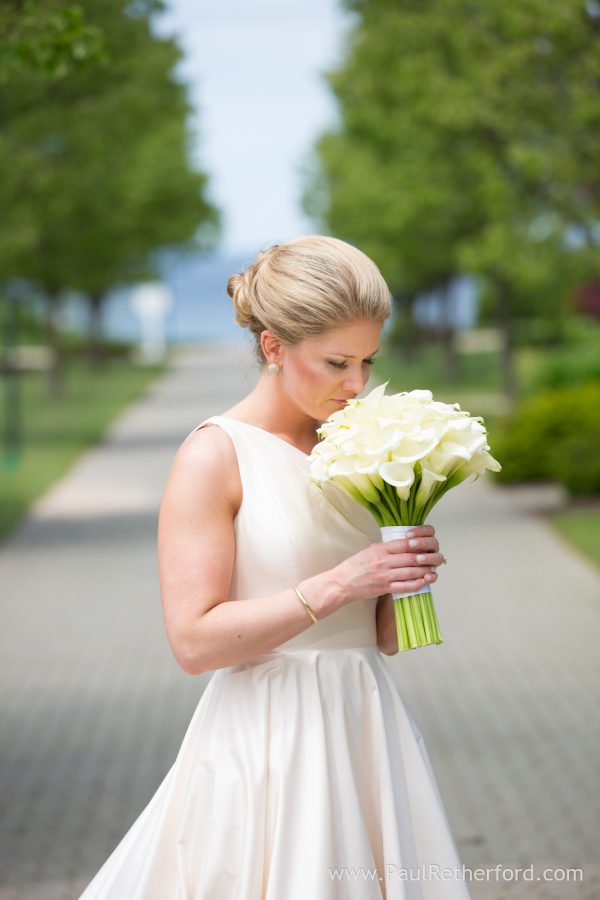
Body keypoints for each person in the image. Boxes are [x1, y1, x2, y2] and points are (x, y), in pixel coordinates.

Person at [78, 235, 472, 899]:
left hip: (366, 724)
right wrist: (345, 580)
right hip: (269, 742)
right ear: (273, 348)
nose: (357, 385)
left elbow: (382, 638)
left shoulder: (356, 447)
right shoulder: (214, 455)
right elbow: (194, 642)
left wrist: (406, 579)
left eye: (369, 361)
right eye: (336, 362)